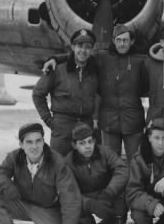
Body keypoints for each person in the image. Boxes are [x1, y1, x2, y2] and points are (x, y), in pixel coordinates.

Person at [42, 24, 148, 163]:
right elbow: (79, 56)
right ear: (113, 40)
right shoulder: (102, 57)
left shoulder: (141, 60)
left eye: (125, 40)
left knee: (137, 162)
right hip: (109, 122)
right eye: (119, 40)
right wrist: (55, 59)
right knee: (110, 162)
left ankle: (136, 185)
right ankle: (113, 185)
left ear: (131, 41)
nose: (122, 44)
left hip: (133, 122)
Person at [0, 123, 81, 224]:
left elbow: (71, 199)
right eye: (29, 142)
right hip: (21, 203)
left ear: (43, 141)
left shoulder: (57, 162)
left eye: (38, 141)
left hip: (46, 209)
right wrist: (8, 186)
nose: (34, 146)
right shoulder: (14, 157)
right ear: (21, 144)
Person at [33, 28, 99, 156]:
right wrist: (49, 120)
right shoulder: (57, 69)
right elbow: (38, 94)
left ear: (91, 50)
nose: (83, 51)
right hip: (62, 129)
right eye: (80, 46)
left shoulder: (94, 71)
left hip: (85, 127)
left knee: (84, 171)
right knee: (59, 168)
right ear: (73, 47)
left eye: (87, 47)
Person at [65, 122, 130, 224]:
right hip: (85, 197)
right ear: (74, 145)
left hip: (105, 193)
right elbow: (68, 191)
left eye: (90, 141)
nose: (88, 146)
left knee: (122, 192)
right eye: (82, 143)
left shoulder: (105, 151)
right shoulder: (68, 162)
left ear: (94, 141)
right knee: (72, 204)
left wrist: (109, 192)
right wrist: (89, 204)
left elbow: (122, 169)